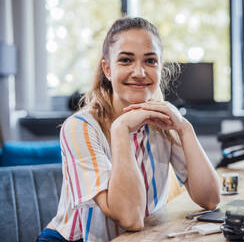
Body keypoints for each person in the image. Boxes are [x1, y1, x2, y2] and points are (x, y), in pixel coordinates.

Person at [36, 17, 220, 242]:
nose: (140, 72)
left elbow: (210, 199)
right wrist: (121, 128)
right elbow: (130, 218)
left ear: (160, 68)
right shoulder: (79, 128)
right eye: (125, 60)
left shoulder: (164, 122)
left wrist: (185, 128)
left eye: (150, 61)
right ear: (107, 69)